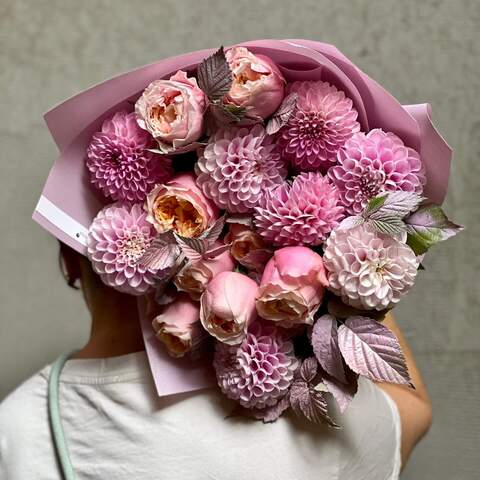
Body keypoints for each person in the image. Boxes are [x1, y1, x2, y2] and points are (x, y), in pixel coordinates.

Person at [0, 242, 432, 480]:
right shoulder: (324, 419)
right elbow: (411, 407)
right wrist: (344, 267)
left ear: (69, 263)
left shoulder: (17, 428)